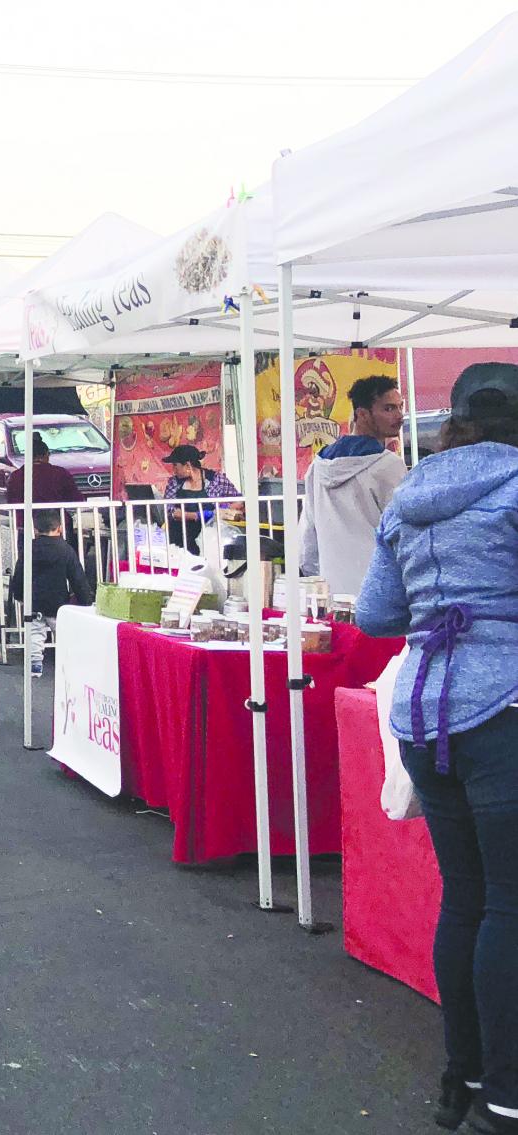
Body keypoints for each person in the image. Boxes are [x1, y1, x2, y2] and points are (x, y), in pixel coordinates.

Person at [356, 369, 518, 1135]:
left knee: (468, 898)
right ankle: (507, 1098)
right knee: (510, 906)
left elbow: (376, 613)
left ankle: (464, 1079)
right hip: (502, 710)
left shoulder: (409, 494)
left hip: (422, 711)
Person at [301, 374, 407, 596]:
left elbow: (307, 539)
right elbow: (402, 533)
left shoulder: (317, 466)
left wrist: (314, 577)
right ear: (362, 414)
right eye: (388, 409)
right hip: (378, 591)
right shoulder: (388, 466)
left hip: (332, 589)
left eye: (400, 407)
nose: (399, 416)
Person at [9, 509, 94, 620]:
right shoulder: (66, 549)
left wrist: (19, 595)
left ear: (35, 530)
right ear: (60, 528)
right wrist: (86, 601)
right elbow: (78, 578)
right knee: (61, 634)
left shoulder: (29, 549)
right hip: (58, 605)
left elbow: (20, 573)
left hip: (34, 605)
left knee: (35, 637)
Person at [161, 444, 240, 554]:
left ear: (188, 466)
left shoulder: (215, 480)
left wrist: (220, 511)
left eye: (175, 465)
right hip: (178, 539)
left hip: (208, 539)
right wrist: (198, 515)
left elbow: (239, 501)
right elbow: (171, 511)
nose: (173, 470)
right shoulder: (174, 483)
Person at [3, 435, 84, 506]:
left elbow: (11, 500)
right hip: (57, 520)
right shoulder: (60, 473)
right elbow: (76, 498)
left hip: (25, 521)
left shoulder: (16, 476)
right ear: (46, 454)